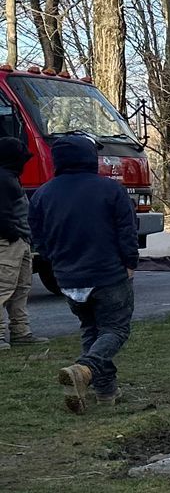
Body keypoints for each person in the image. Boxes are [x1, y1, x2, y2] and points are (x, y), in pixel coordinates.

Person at [28, 133, 137, 411]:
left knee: (91, 329)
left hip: (68, 277)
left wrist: (56, 261)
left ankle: (106, 391)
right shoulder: (110, 189)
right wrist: (130, 262)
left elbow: (38, 238)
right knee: (115, 329)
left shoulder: (43, 193)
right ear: (90, 158)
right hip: (107, 272)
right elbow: (126, 229)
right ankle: (84, 370)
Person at [0, 136, 36, 349]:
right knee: (3, 288)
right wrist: (13, 235)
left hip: (18, 240)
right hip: (7, 242)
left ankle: (21, 331)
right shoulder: (3, 179)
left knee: (21, 288)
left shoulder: (9, 176)